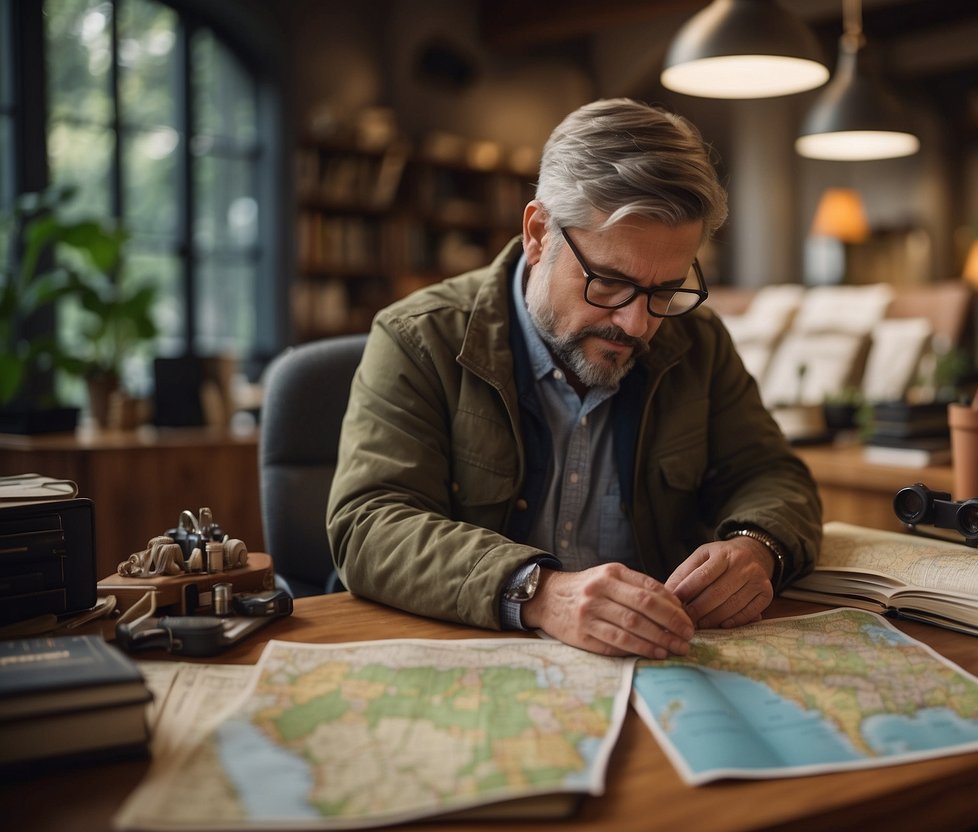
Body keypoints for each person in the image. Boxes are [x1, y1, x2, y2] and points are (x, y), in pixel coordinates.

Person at [327, 98, 822, 659]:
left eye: (665, 291)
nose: (637, 324)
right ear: (539, 234)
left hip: (656, 669)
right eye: (609, 282)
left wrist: (757, 546)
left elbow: (773, 474)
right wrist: (537, 592)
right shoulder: (418, 338)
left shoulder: (698, 343)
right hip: (470, 666)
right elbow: (368, 526)